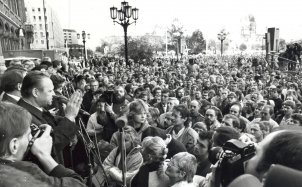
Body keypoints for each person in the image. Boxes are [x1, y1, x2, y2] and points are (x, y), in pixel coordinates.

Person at [0, 102, 86, 187]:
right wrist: (44, 155)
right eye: (28, 135)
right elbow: (78, 184)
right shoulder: (27, 173)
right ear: (14, 145)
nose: (31, 139)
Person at [17, 71, 82, 168]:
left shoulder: (34, 108)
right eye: (50, 91)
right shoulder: (22, 116)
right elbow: (48, 148)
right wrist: (69, 117)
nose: (54, 94)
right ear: (35, 92)